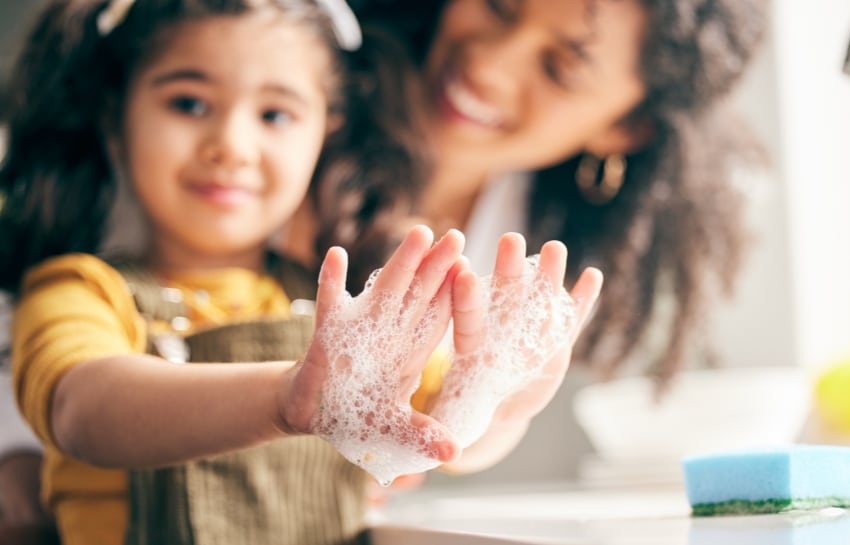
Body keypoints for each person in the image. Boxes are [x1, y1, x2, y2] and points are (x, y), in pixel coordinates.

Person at [0, 1, 602, 545]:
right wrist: (288, 399)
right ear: (116, 117)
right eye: (188, 103)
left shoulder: (337, 313)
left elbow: (439, 437)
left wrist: (494, 405)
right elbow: (83, 413)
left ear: (326, 131)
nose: (232, 144)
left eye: (276, 115)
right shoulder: (78, 290)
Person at [280, 0, 767, 386]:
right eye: (497, 5)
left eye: (559, 68)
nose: (488, 64)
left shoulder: (530, 254)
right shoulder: (283, 112)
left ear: (626, 128)